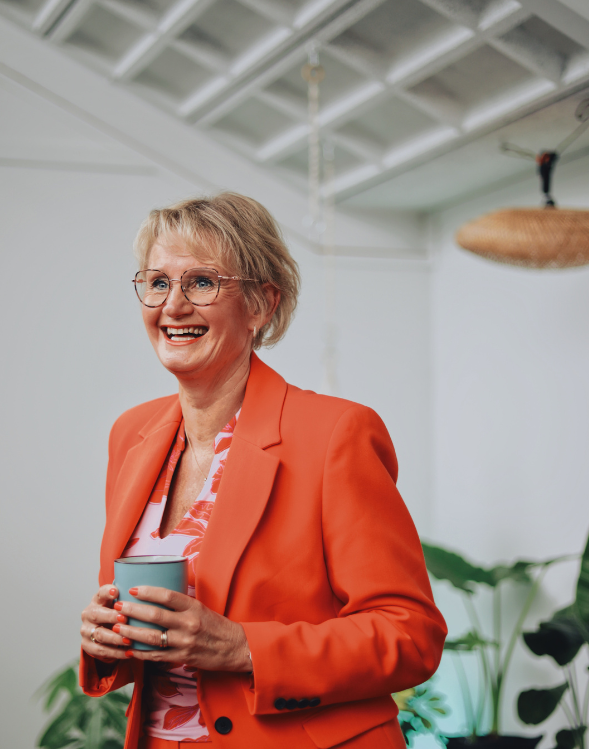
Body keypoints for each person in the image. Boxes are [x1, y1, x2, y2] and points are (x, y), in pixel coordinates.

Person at [79, 193, 447, 749]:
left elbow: (410, 634)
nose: (173, 305)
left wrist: (241, 647)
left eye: (202, 282)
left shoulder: (336, 434)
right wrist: (107, 639)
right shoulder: (131, 433)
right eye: (157, 283)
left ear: (260, 305)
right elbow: (146, 630)